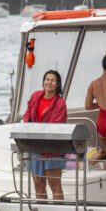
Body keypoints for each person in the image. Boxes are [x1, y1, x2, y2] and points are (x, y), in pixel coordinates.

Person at [23, 69, 68, 200]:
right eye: (47, 79)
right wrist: (26, 124)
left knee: (55, 185)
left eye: (53, 80)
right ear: (43, 82)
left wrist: (35, 131)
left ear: (57, 84)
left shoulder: (60, 104)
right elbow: (28, 113)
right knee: (38, 185)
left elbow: (56, 126)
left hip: (52, 149)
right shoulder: (35, 96)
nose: (49, 82)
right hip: (35, 147)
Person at [85, 51, 106, 160]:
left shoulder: (93, 84)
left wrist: (100, 105)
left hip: (101, 122)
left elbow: (88, 106)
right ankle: (103, 152)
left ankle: (103, 152)